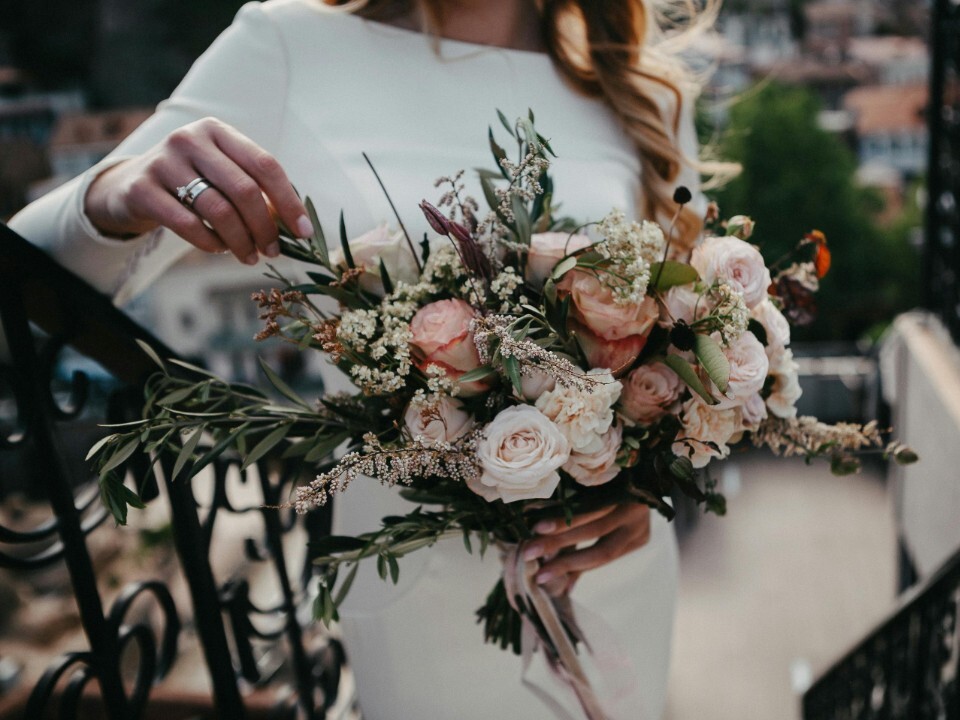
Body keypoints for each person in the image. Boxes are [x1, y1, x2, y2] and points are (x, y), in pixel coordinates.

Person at [10, 0, 715, 716]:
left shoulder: (645, 95)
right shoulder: (286, 45)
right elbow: (23, 266)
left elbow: (696, 338)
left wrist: (653, 481)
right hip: (415, 580)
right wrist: (116, 194)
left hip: (612, 565)